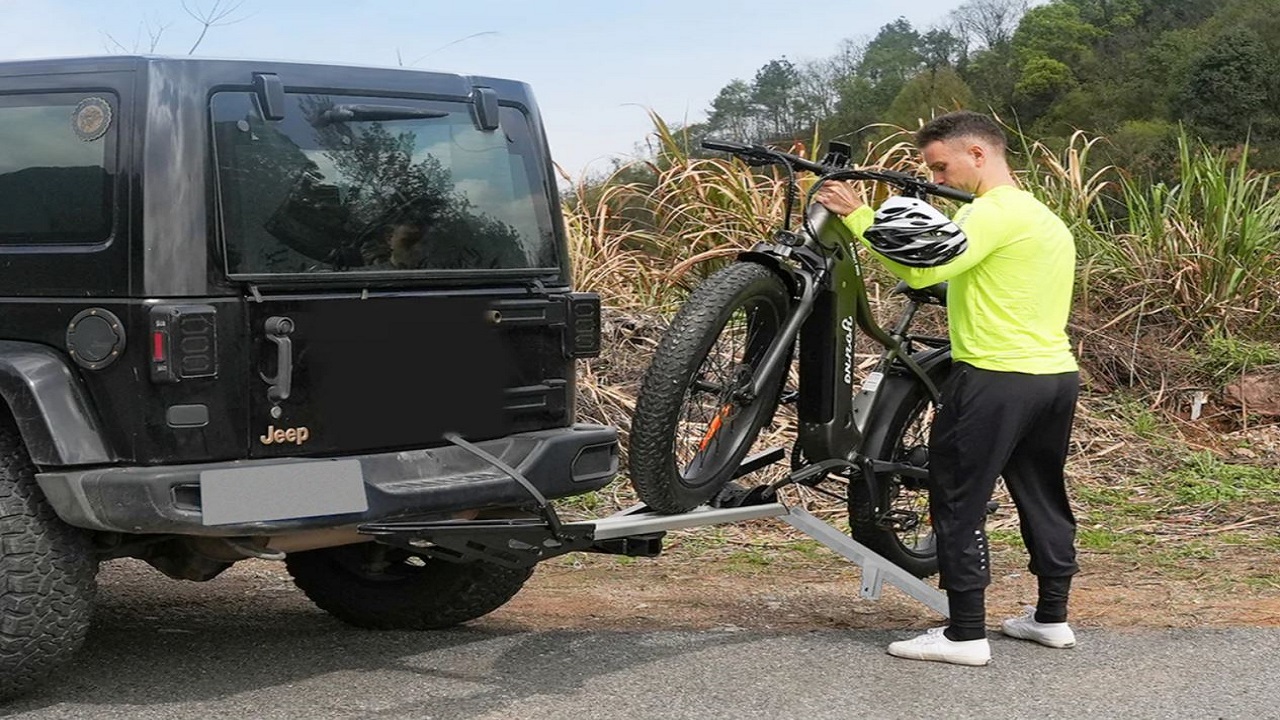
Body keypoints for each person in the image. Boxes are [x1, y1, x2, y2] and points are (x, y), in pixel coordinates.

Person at [815, 110, 1081, 667]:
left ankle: (965, 634)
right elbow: (981, 281)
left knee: (957, 498)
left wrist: (859, 215)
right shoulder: (1043, 219)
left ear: (978, 155)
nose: (936, 180)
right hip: (1054, 377)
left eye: (941, 168)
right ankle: (1051, 618)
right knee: (1041, 492)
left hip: (994, 378)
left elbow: (923, 269)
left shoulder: (993, 214)